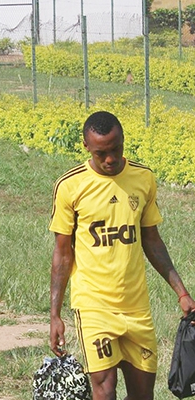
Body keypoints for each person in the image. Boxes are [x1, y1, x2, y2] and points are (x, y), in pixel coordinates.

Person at [49, 111, 195, 400]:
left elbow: (152, 241)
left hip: (136, 307)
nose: (110, 159)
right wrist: (54, 314)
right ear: (86, 146)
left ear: (123, 141)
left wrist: (182, 292)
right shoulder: (70, 186)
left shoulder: (143, 178)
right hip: (94, 307)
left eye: (116, 149)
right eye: (102, 153)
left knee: (143, 395)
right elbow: (62, 256)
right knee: (105, 390)